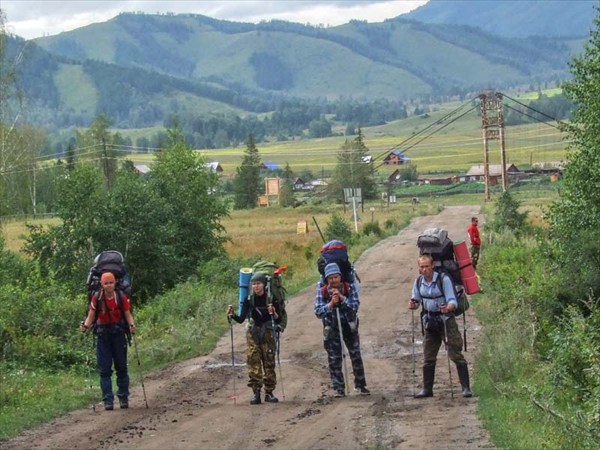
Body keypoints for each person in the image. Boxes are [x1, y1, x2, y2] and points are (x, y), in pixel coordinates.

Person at [408, 254, 472, 398]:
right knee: (428, 356)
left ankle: (466, 388)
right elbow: (416, 300)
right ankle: (427, 389)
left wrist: (448, 308)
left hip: (446, 321)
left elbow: (452, 301)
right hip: (430, 321)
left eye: (426, 266)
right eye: (421, 267)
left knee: (455, 353)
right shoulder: (418, 282)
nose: (424, 270)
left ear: (432, 266)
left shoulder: (444, 280)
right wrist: (413, 304)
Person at [227, 271, 286, 405]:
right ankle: (256, 393)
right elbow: (241, 319)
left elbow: (279, 320)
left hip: (268, 333)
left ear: (264, 285)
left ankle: (269, 392)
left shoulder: (272, 300)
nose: (256, 286)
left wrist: (274, 313)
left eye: (258, 284)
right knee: (253, 362)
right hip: (253, 333)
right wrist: (232, 315)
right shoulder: (249, 300)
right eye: (253, 284)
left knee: (268, 362)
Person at [80, 272, 136, 410]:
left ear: (115, 282)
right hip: (103, 336)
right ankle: (108, 401)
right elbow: (91, 315)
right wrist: (85, 326)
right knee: (104, 369)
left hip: (118, 334)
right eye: (106, 283)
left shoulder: (120, 297)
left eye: (111, 282)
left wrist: (132, 325)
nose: (109, 285)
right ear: (102, 284)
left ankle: (123, 397)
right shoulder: (97, 298)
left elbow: (128, 314)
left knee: (121, 367)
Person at [314, 262, 369, 397]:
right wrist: (331, 304)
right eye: (330, 278)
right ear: (326, 280)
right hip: (331, 326)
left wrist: (343, 299)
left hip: (349, 325)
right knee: (334, 358)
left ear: (340, 277)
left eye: (336, 277)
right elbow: (318, 311)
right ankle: (339, 388)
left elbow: (355, 306)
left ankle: (361, 385)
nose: (333, 281)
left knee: (355, 355)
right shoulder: (322, 291)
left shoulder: (349, 288)